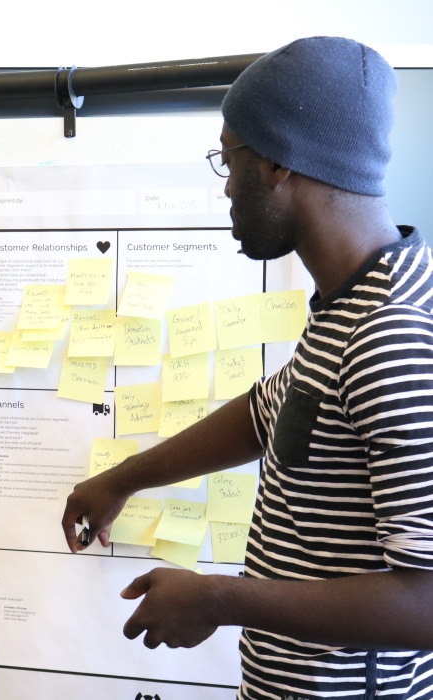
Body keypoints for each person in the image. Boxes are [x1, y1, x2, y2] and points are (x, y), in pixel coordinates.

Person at [61, 36, 433, 700]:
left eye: (228, 160)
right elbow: (271, 413)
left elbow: (427, 602)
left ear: (278, 165)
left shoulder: (393, 335)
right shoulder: (355, 301)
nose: (225, 187)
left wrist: (218, 599)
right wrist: (120, 480)